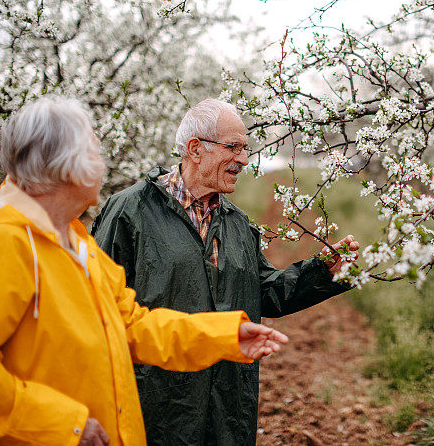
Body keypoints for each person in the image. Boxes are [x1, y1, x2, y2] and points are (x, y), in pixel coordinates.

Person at [0, 97, 289, 446]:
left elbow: (132, 326)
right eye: (95, 153)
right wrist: (63, 426)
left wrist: (224, 337)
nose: (104, 164)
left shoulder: (76, 244)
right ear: (65, 165)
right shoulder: (1, 243)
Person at [92, 98, 359, 446]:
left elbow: (264, 292)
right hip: (157, 405)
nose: (244, 160)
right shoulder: (130, 211)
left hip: (227, 407)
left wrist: (323, 273)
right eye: (233, 147)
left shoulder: (235, 222)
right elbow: (97, 310)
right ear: (195, 149)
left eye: (246, 149)